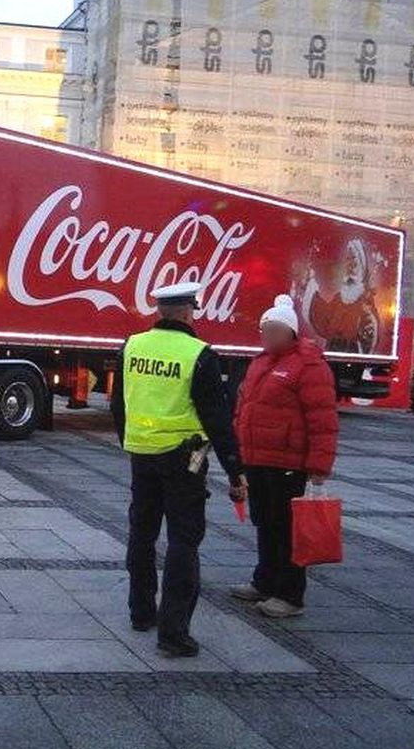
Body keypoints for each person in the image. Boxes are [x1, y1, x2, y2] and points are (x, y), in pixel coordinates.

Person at [111, 281, 247, 658]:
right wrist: (236, 472)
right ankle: (173, 633)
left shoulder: (132, 345)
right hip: (185, 460)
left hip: (142, 455)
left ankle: (140, 612)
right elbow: (217, 419)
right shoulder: (199, 354)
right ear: (189, 312)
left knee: (141, 532)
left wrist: (130, 440)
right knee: (183, 541)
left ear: (160, 311)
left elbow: (118, 402)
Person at [230, 294, 338, 619]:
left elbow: (323, 421)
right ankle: (264, 582)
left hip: (288, 464)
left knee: (288, 529)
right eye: (265, 329)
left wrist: (319, 468)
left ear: (290, 332)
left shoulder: (308, 365)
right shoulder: (260, 362)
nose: (267, 335)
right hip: (258, 459)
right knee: (265, 523)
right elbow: (244, 408)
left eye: (274, 329)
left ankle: (290, 595)